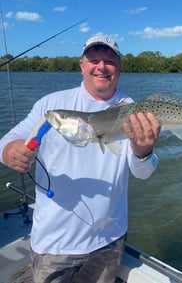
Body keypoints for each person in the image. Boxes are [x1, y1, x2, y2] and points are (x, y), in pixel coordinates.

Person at [0, 35, 161, 283]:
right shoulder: (53, 105)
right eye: (94, 59)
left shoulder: (132, 110)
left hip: (109, 240)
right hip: (54, 242)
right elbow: (11, 139)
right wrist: (11, 151)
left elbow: (143, 172)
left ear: (119, 67)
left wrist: (144, 151)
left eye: (110, 61)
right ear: (82, 65)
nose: (101, 66)